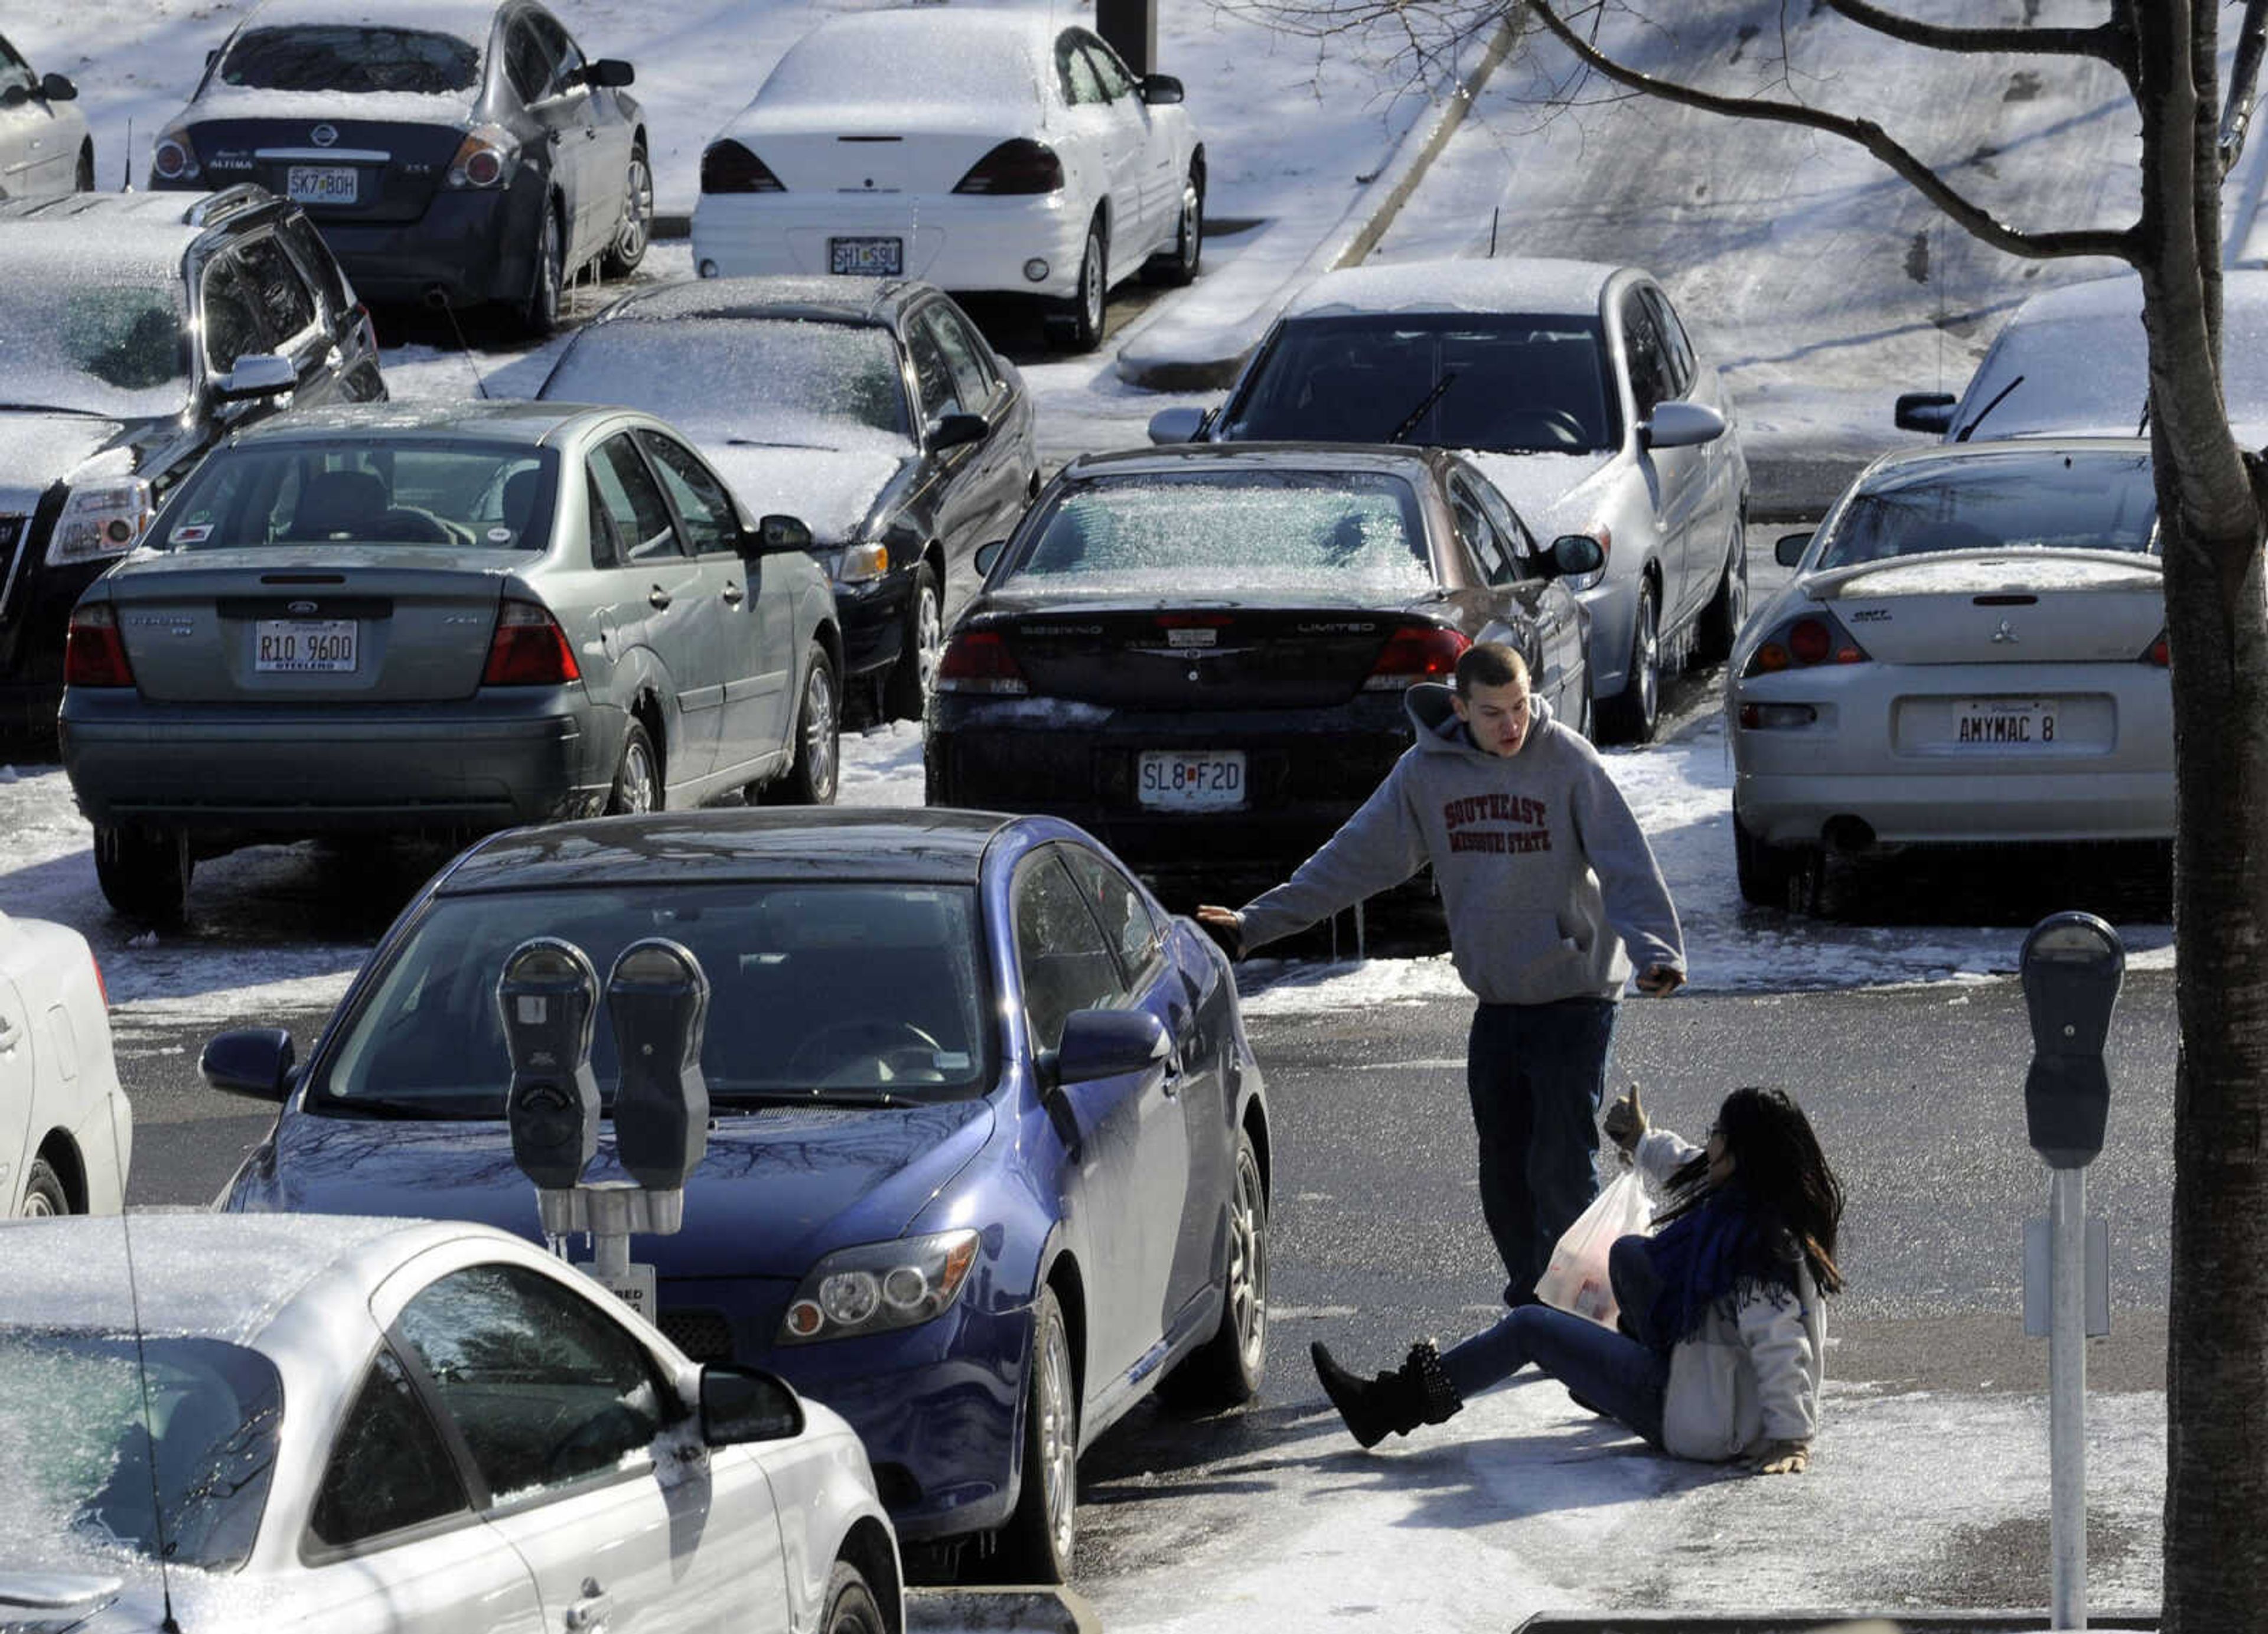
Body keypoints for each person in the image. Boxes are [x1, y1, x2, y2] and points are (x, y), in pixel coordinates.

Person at [1198, 641, 1684, 1307]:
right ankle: (1532, 1297)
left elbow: (1623, 855)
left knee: (1559, 1164)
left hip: (1576, 992)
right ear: (1460, 708)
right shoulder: (1427, 775)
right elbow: (1352, 859)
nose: (1513, 725)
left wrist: (1657, 949)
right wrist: (1253, 926)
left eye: (1520, 707)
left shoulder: (1567, 760)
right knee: (1502, 1169)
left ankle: (1581, 1305)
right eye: (1493, 713)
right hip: (1498, 996)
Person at [1310, 1084, 1846, 1475]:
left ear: (1742, 1152)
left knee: (1529, 1328)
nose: (1710, 1143)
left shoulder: (1758, 1246)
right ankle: (1613, 1380)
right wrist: (1642, 1139)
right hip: (1701, 1387)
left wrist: (1790, 1437)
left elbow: (1782, 1344)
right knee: (1633, 1256)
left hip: (1700, 1420)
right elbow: (1691, 1165)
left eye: (1718, 1134)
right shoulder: (1750, 1204)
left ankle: (1386, 1407)